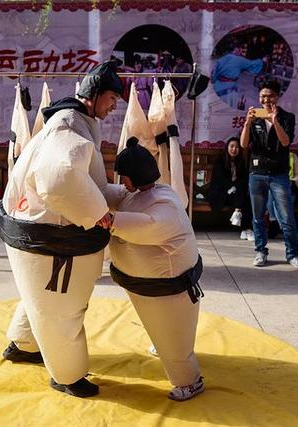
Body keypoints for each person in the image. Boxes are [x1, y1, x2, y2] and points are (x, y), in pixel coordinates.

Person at [0, 60, 127, 398]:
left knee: (38, 296)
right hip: (49, 236)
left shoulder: (72, 122)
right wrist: (100, 213)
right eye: (112, 97)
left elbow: (78, 177)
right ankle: (66, 375)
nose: (114, 106)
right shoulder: (69, 124)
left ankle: (24, 344)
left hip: (33, 228)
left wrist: (116, 196)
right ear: (94, 94)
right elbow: (59, 179)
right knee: (61, 308)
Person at [108, 137, 204, 401]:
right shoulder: (137, 194)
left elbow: (148, 226)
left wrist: (108, 220)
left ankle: (190, 382)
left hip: (171, 288)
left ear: (135, 175)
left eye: (123, 176)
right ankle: (165, 347)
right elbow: (114, 194)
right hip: (145, 286)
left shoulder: (164, 202)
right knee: (164, 330)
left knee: (175, 339)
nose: (121, 182)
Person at [240, 80, 298, 269]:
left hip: (279, 174)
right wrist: (247, 124)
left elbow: (285, 142)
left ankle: (293, 255)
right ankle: (260, 251)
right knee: (258, 216)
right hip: (257, 172)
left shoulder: (287, 117)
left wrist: (274, 121)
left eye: (269, 95)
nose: (266, 99)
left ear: (277, 97)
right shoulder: (255, 117)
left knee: (286, 217)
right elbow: (244, 144)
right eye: (262, 96)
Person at [208, 136, 253, 240]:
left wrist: (236, 188)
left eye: (237, 147)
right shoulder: (220, 161)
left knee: (247, 199)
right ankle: (244, 225)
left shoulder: (240, 162)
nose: (234, 149)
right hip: (221, 194)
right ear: (227, 147)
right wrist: (233, 188)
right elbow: (221, 180)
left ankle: (246, 230)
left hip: (235, 195)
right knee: (241, 195)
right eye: (231, 146)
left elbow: (243, 179)